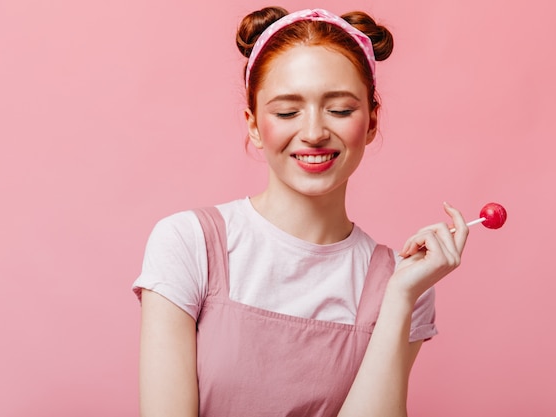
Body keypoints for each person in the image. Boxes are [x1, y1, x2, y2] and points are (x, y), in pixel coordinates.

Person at [133, 7, 468, 417]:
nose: (313, 132)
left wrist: (399, 297)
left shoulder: (403, 284)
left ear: (372, 121)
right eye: (287, 111)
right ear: (254, 125)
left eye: (341, 110)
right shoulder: (189, 244)